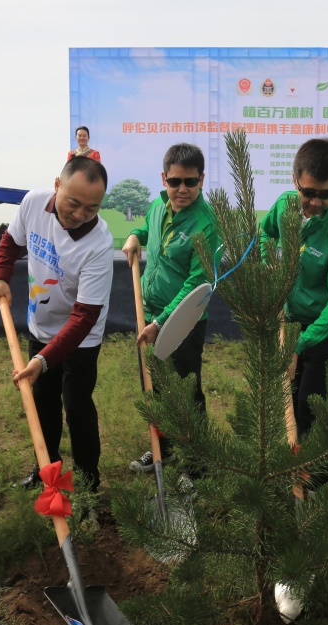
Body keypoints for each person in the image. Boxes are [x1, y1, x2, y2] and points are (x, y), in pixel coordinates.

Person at [0, 156, 113, 494]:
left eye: (91, 208)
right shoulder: (32, 203)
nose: (79, 214)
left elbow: (84, 315)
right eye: (73, 203)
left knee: (77, 408)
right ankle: (47, 471)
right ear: (58, 186)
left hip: (80, 339)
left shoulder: (99, 244)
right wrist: (0, 277)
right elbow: (11, 242)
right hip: (40, 327)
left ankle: (88, 483)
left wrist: (43, 361)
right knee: (42, 403)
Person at [258, 137, 328, 486]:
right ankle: (289, 468)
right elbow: (265, 235)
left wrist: (299, 347)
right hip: (290, 317)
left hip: (326, 326)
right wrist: (268, 263)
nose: (315, 202)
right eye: (309, 192)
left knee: (312, 405)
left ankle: (316, 481)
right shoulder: (286, 204)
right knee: (284, 398)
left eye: (326, 194)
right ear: (294, 179)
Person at [122, 143, 220, 472]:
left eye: (190, 182)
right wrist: (136, 235)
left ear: (201, 180)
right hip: (149, 313)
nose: (182, 190)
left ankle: (198, 461)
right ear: (164, 178)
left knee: (185, 391)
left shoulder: (206, 224)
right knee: (156, 387)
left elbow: (197, 283)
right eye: (175, 181)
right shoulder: (157, 207)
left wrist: (161, 322)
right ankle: (163, 449)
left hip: (184, 320)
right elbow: (147, 229)